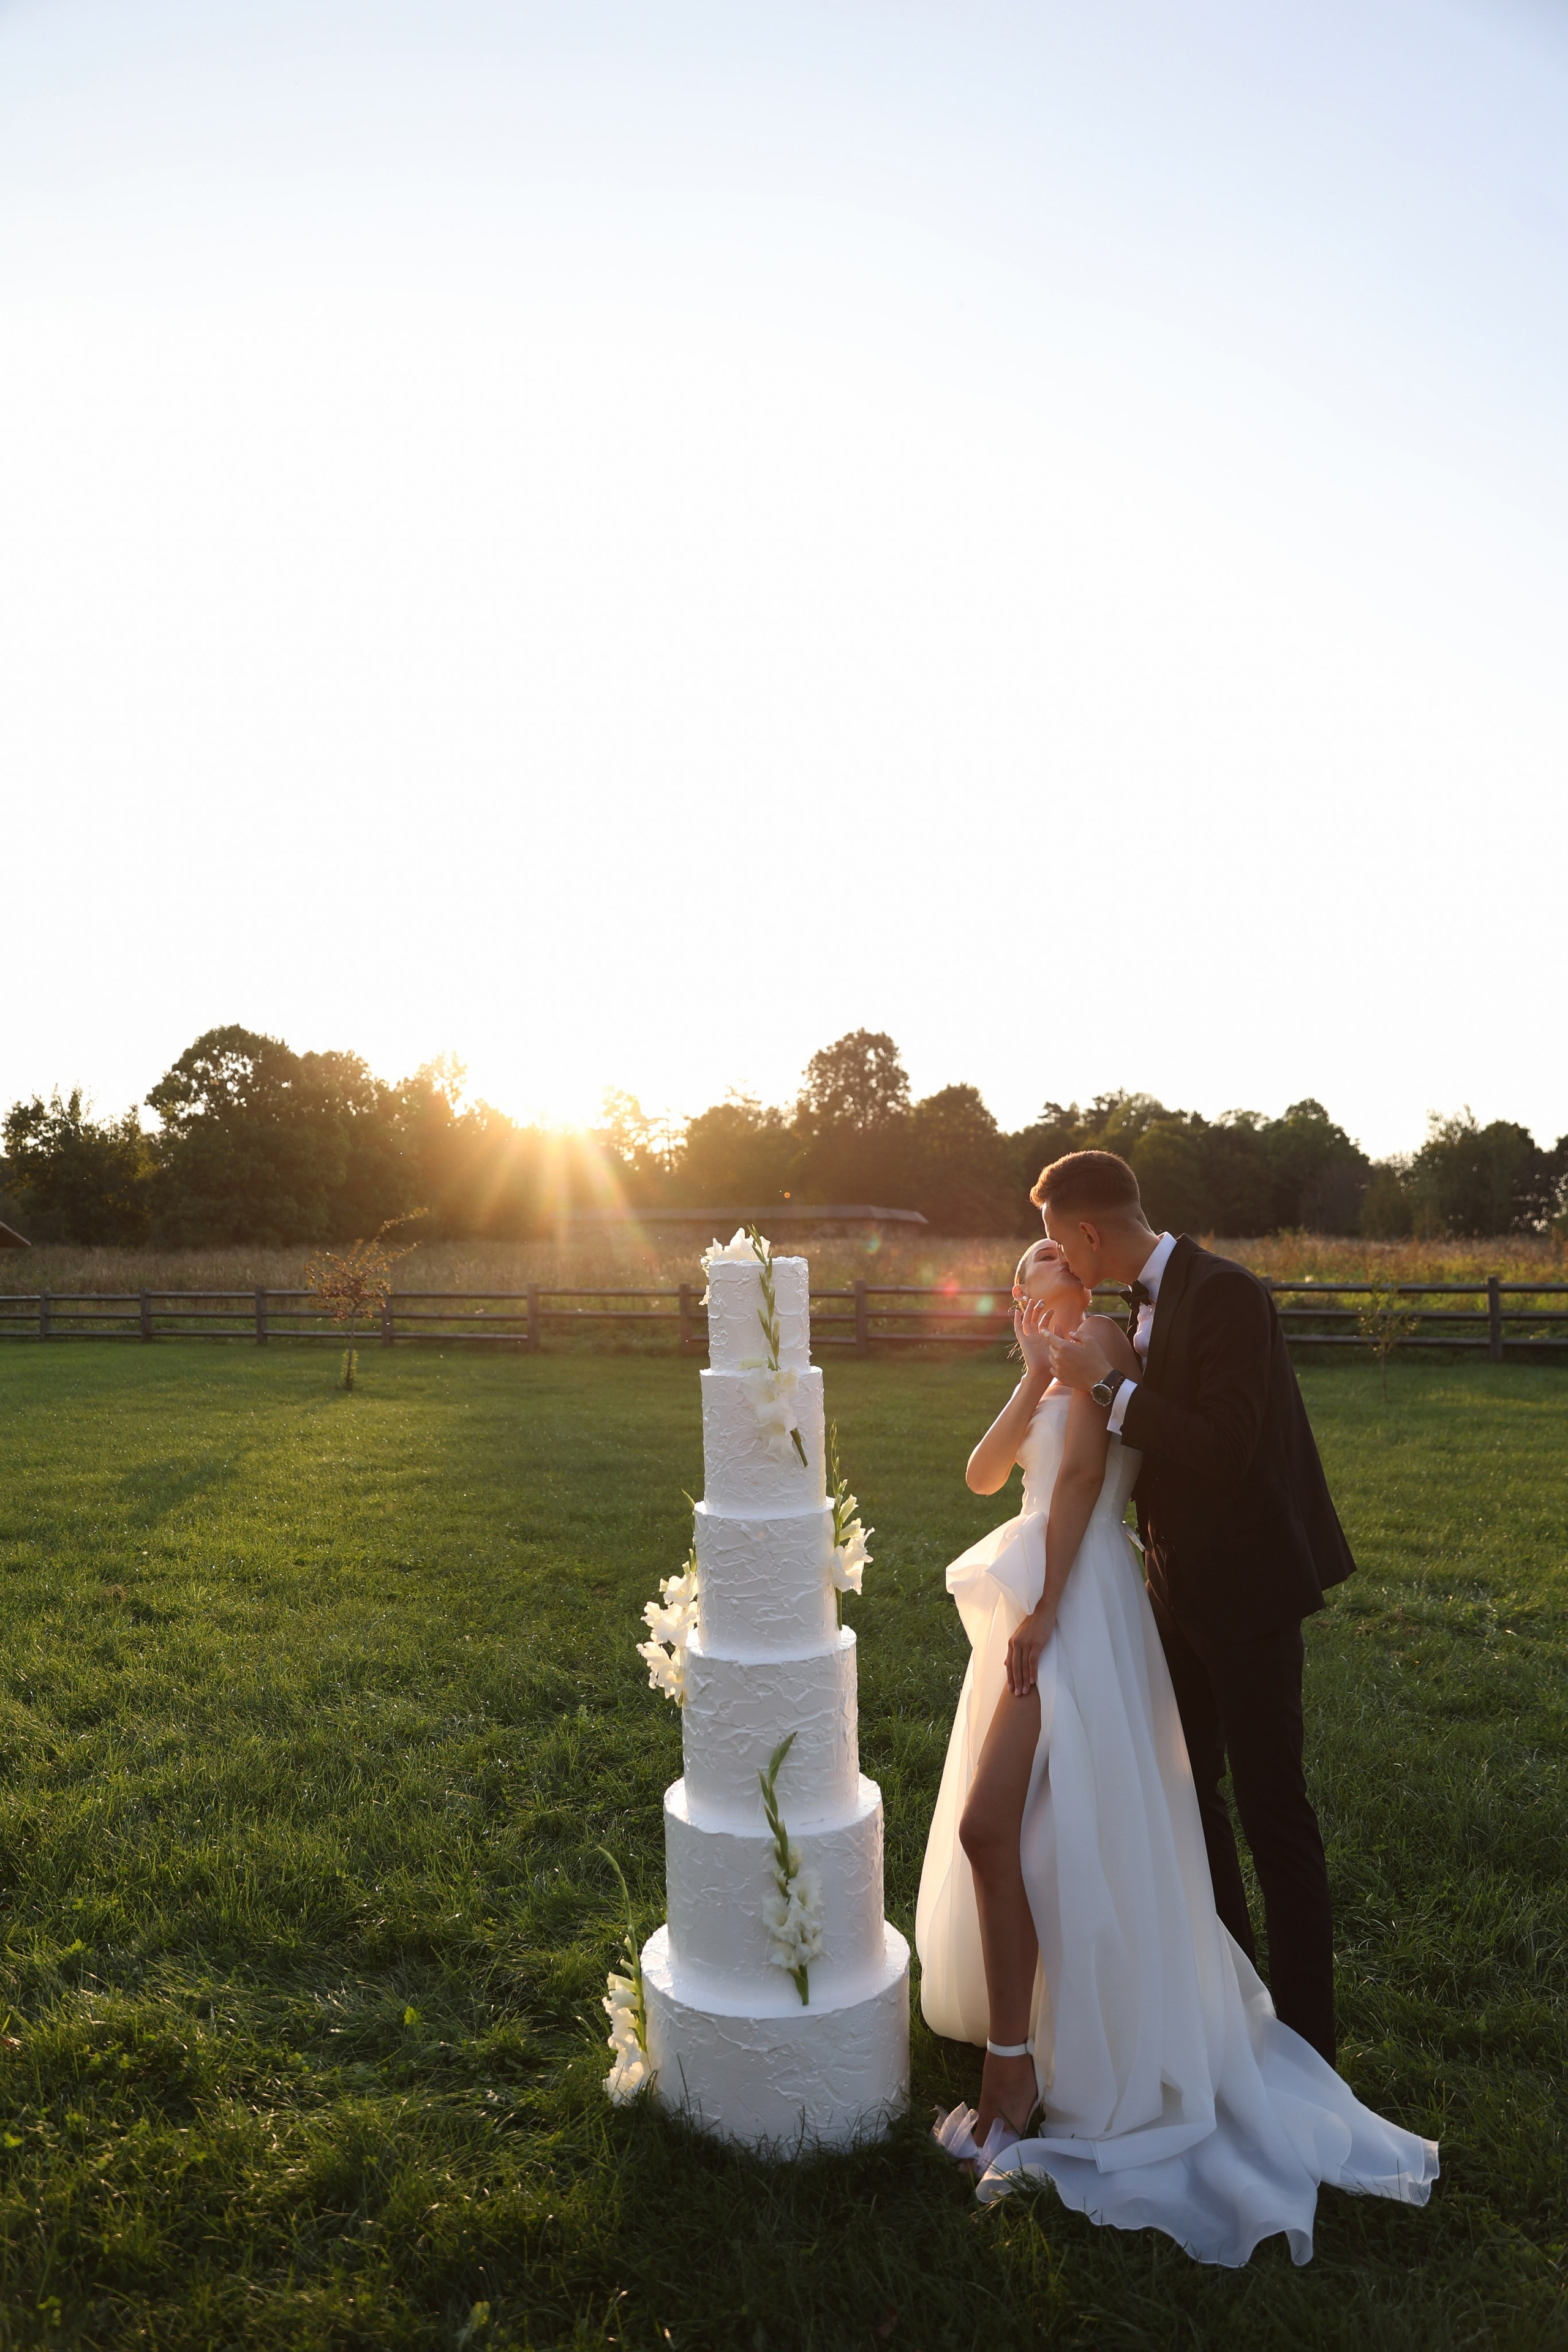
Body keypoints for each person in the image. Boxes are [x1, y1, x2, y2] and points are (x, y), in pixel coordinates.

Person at [914, 1182, 1438, 2265]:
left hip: (1238, 1592)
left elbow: (1228, 1444)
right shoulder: (1100, 1326)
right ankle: (1201, 1998)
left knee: (1272, 1812)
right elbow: (1020, 1470)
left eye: (1049, 1247)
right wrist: (1052, 1379)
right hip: (1159, 1597)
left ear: (1088, 1237)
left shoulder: (1222, 1296)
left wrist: (1101, 1382)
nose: (1037, 1266)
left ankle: (1304, 2042)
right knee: (1178, 1809)